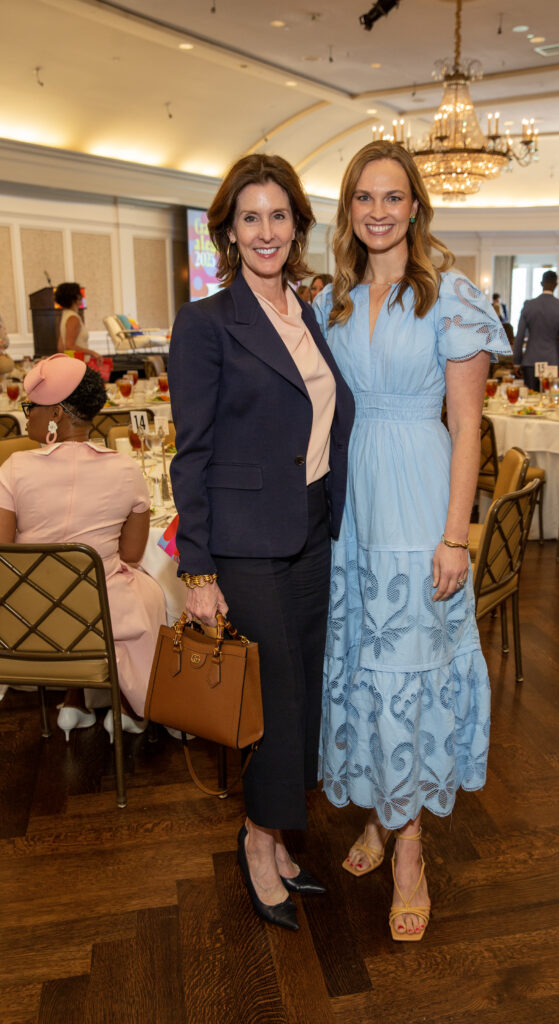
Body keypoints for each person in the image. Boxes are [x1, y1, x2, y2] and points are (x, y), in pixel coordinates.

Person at [313, 140, 510, 942]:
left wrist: (455, 535)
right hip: (348, 499)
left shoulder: (450, 296)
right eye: (364, 198)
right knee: (361, 660)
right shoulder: (331, 296)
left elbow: (466, 425)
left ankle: (410, 853)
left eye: (392, 198)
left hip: (419, 491)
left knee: (412, 669)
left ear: (416, 206)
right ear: (348, 209)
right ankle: (376, 815)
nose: (378, 212)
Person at [168, 154, 354, 933]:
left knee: (301, 692)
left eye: (279, 216)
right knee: (270, 699)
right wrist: (198, 568)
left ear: (298, 228)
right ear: (228, 231)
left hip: (312, 529)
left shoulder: (308, 313)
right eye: (250, 217)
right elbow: (193, 450)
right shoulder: (207, 323)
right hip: (246, 544)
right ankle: (255, 839)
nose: (266, 231)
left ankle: (275, 836)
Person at [0, 354, 166, 738]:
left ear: (56, 412)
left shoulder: (13, 469)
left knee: (65, 591)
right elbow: (132, 554)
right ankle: (127, 704)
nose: (27, 416)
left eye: (32, 408)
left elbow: (4, 556)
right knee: (146, 590)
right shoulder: (126, 469)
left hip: (26, 624)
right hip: (102, 621)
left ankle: (74, 700)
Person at [513, 270, 559, 390]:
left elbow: (519, 337)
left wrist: (517, 362)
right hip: (552, 360)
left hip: (530, 360)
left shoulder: (529, 305)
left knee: (530, 399)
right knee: (549, 399)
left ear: (541, 284)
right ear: (555, 285)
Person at [55, 282, 101, 362]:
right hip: (79, 363)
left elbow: (60, 346)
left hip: (72, 363)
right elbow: (69, 345)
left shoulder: (65, 315)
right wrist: (92, 352)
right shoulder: (73, 318)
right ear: (76, 297)